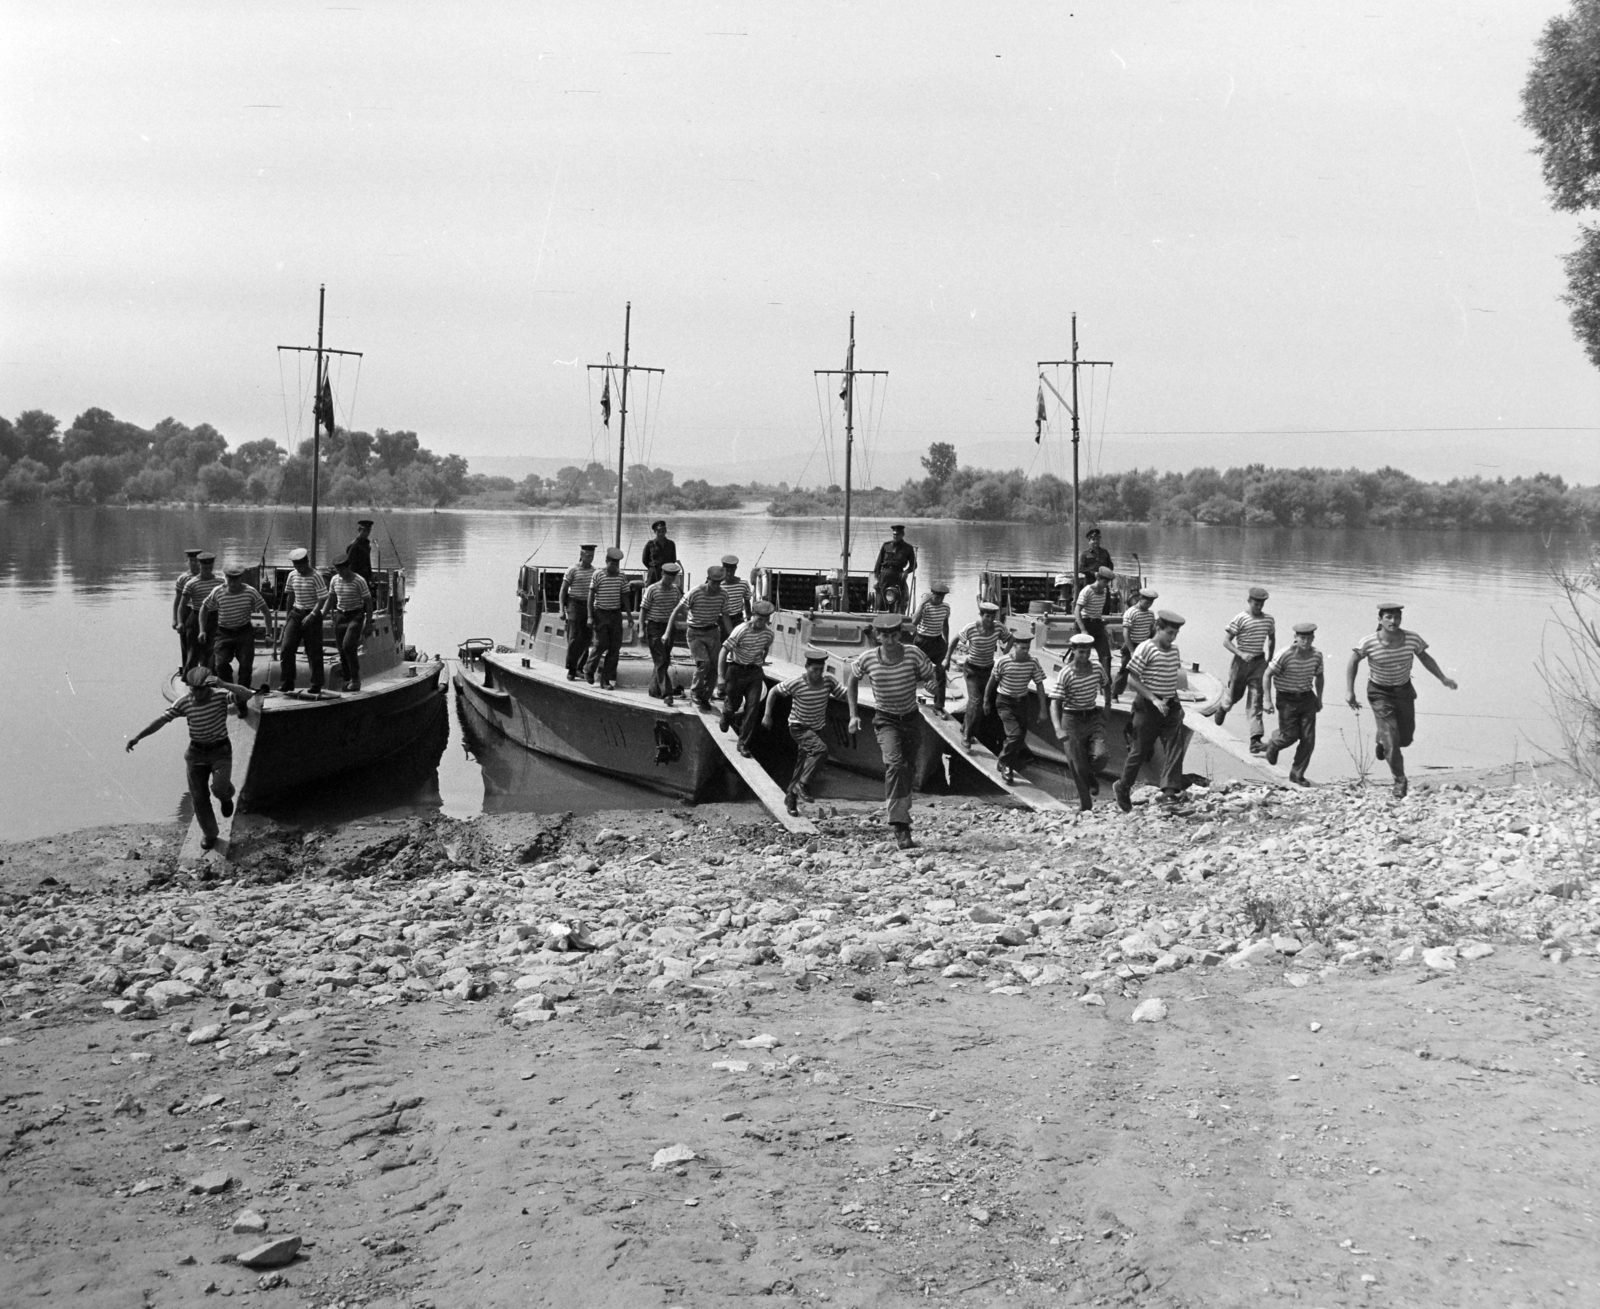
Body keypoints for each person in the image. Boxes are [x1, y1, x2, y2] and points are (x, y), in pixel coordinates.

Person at [125, 666, 255, 851]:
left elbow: (247, 695)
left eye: (200, 689)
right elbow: (161, 721)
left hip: (220, 751)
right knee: (199, 797)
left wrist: (223, 683)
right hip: (196, 754)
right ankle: (210, 834)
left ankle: (225, 796)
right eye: (193, 689)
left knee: (219, 787)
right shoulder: (184, 703)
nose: (196, 693)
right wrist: (138, 736)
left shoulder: (219, 697)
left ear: (208, 688)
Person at [1346, 601, 1457, 799]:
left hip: (1404, 691)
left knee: (1405, 739)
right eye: (1388, 617)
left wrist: (1443, 678)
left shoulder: (1412, 639)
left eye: (1397, 617)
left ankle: (1382, 741)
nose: (1393, 621)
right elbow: (1353, 661)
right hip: (1379, 692)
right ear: (1380, 620)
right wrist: (1350, 691)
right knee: (1392, 740)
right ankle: (1399, 780)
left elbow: (1425, 658)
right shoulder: (1369, 642)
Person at [846, 611, 936, 849]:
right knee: (895, 765)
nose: (890, 640)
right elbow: (852, 680)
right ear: (877, 636)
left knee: (908, 770)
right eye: (884, 636)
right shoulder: (868, 659)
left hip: (911, 719)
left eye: (894, 635)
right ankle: (899, 826)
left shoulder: (913, 654)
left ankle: (903, 817)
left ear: (900, 634)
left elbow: (932, 677)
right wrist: (853, 715)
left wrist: (933, 686)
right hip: (886, 720)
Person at [1113, 610, 1189, 811]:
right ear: (1158, 628)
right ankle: (1123, 787)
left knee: (1175, 745)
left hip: (1170, 704)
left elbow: (1170, 678)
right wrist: (1153, 699)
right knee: (1139, 751)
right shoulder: (1145, 649)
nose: (1172, 638)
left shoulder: (1174, 651)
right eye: (1169, 633)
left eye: (1175, 634)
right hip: (1148, 706)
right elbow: (1132, 680)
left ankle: (1169, 792)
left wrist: (1175, 703)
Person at [763, 645, 844, 815]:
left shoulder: (828, 682)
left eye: (821, 670)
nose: (818, 673)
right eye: (815, 670)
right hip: (798, 727)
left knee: (801, 766)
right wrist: (767, 715)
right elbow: (773, 692)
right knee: (821, 750)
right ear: (807, 668)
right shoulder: (796, 683)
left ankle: (791, 798)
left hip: (816, 728)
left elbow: (843, 693)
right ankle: (803, 785)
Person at [1201, 585, 1276, 753]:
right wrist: (1240, 654)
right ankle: (1223, 708)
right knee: (1234, 695)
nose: (1259, 606)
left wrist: (1270, 658)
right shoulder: (1240, 618)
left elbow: (1271, 638)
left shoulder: (1269, 620)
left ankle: (1255, 740)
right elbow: (1226, 641)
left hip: (1259, 663)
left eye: (1262, 604)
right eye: (1256, 603)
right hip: (1241, 663)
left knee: (1256, 700)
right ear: (1249, 601)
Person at [1049, 631, 1110, 811]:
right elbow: (1055, 702)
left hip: (1092, 716)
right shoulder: (1066, 673)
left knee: (1101, 755)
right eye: (1081, 652)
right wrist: (1058, 728)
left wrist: (1107, 704)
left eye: (1088, 651)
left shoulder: (1097, 668)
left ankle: (1091, 776)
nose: (1085, 656)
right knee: (1077, 766)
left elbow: (1106, 684)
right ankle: (1086, 807)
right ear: (1073, 651)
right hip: (1071, 720)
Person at [202, 566, 273, 711]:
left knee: (246, 667)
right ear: (226, 578)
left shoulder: (250, 592)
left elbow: (266, 612)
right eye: (230, 580)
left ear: (241, 579)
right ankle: (232, 692)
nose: (233, 583)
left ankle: (241, 701)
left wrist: (268, 634)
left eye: (236, 580)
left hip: (244, 632)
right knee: (220, 665)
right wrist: (202, 630)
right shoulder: (218, 591)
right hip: (224, 633)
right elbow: (204, 608)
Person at [985, 620, 1047, 784]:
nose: (1025, 651)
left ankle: (1004, 759)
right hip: (1005, 702)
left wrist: (1042, 709)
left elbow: (1039, 685)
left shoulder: (1032, 662)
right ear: (1015, 647)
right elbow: (992, 682)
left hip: (1022, 702)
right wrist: (986, 701)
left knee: (1018, 738)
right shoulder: (1002, 662)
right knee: (1014, 735)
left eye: (1027, 648)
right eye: (1022, 648)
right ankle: (1006, 764)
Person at [1263, 621, 1325, 786]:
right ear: (1295, 638)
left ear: (1313, 638)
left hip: (1307, 698)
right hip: (1286, 699)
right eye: (1302, 638)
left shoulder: (1317, 655)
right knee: (1289, 736)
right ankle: (1274, 744)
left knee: (1308, 739)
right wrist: (1267, 700)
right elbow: (1267, 675)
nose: (1305, 641)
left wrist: (1319, 698)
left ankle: (1297, 774)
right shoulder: (1285, 654)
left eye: (1308, 638)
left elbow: (1319, 676)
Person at [949, 601, 1012, 747]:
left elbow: (1010, 638)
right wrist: (947, 658)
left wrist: (1006, 650)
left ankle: (965, 725)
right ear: (981, 615)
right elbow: (955, 640)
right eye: (986, 617)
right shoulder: (971, 628)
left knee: (982, 702)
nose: (989, 620)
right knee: (976, 702)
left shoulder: (998, 627)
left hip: (988, 670)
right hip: (972, 670)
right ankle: (967, 735)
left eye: (992, 617)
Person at [717, 599, 775, 756]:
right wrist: (721, 677)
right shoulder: (740, 630)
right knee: (733, 705)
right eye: (759, 619)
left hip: (754, 671)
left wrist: (761, 660)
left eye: (765, 620)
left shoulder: (768, 633)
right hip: (736, 669)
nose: (761, 622)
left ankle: (743, 743)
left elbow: (766, 647)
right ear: (752, 615)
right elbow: (724, 652)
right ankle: (727, 714)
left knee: (752, 708)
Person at [666, 564, 727, 710]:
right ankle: (695, 692)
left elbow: (725, 616)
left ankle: (705, 696)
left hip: (712, 632)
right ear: (707, 580)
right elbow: (676, 610)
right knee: (703, 663)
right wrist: (667, 632)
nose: (716, 586)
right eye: (714, 582)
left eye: (719, 583)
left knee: (714, 666)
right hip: (695, 633)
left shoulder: (723, 594)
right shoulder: (695, 592)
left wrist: (732, 637)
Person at [320, 553, 374, 692]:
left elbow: (368, 603)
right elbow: (330, 599)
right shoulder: (334, 580)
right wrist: (320, 615)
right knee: (341, 650)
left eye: (342, 569)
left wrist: (368, 623)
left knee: (348, 645)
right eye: (337, 570)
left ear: (348, 567)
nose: (340, 573)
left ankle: (356, 680)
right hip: (340, 616)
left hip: (355, 616)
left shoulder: (359, 581)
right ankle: (346, 679)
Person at [279, 547, 328, 694]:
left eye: (300, 565)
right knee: (287, 648)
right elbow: (290, 596)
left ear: (306, 562)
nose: (298, 568)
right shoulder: (292, 576)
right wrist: (288, 617)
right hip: (296, 613)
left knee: (313, 651)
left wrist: (313, 614)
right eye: (295, 565)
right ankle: (288, 681)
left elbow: (322, 598)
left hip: (312, 614)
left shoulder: (316, 576)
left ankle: (316, 684)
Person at [585, 546, 628, 689]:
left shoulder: (621, 576)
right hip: (601, 613)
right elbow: (591, 596)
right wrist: (590, 616)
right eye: (612, 563)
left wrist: (628, 615)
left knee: (615, 648)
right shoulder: (598, 575)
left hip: (615, 614)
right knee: (600, 644)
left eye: (617, 564)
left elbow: (624, 596)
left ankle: (606, 680)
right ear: (606, 561)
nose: (615, 566)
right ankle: (589, 669)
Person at [641, 560, 684, 702]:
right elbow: (644, 609)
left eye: (673, 577)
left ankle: (654, 690)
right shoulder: (652, 589)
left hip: (669, 627)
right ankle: (667, 693)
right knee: (660, 659)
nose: (670, 580)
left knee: (664, 661)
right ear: (662, 574)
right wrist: (641, 629)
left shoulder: (676, 590)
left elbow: (681, 608)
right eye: (668, 577)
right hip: (654, 627)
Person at [910, 581, 952, 712]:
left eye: (942, 597)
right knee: (915, 672)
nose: (939, 599)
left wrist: (947, 641)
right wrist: (922, 604)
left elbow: (945, 625)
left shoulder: (946, 607)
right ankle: (908, 700)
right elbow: (914, 622)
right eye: (937, 597)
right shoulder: (925, 606)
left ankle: (939, 705)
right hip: (922, 641)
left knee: (940, 673)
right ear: (931, 595)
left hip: (937, 641)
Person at [180, 552, 226, 674]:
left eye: (210, 568)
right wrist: (180, 622)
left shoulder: (220, 581)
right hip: (195, 618)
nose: (207, 571)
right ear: (200, 566)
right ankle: (191, 682)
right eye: (204, 568)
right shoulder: (191, 583)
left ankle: (209, 680)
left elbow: (225, 600)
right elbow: (182, 605)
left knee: (212, 652)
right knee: (193, 653)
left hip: (214, 617)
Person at [558, 544, 597, 681]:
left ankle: (580, 667)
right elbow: (563, 590)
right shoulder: (572, 570)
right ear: (581, 555)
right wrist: (561, 609)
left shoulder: (595, 572)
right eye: (587, 556)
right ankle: (571, 668)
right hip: (574, 604)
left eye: (592, 556)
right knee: (574, 637)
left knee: (586, 638)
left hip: (588, 605)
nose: (590, 558)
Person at [1113, 587, 1159, 700]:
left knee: (1146, 671)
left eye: (1151, 602)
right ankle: (1115, 693)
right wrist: (1131, 650)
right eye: (1147, 602)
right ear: (1140, 598)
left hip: (1144, 646)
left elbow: (1151, 630)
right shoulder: (1131, 612)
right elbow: (1126, 633)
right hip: (1131, 644)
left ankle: (1145, 695)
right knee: (1125, 669)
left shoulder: (1150, 614)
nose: (1149, 605)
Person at [1074, 565, 1116, 679]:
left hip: (1097, 625)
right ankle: (1074, 677)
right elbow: (1077, 611)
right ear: (1098, 579)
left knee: (1106, 656)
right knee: (1080, 654)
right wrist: (1083, 630)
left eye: (1108, 582)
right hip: (1085, 623)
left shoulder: (1104, 591)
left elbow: (1099, 609)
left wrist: (1102, 623)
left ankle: (1106, 684)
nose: (1106, 584)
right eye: (1105, 581)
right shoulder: (1087, 591)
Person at [872, 524, 917, 612]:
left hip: (898, 576)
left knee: (897, 602)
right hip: (884, 576)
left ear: (902, 535)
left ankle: (895, 619)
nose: (895, 536)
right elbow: (878, 564)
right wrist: (876, 578)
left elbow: (914, 565)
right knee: (881, 603)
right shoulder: (886, 546)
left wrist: (907, 572)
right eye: (894, 534)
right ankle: (881, 619)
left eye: (897, 534)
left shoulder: (908, 548)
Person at [172, 548, 202, 672]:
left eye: (196, 561)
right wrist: (175, 619)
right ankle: (188, 672)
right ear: (187, 562)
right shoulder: (183, 579)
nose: (194, 563)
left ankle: (207, 672)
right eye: (191, 561)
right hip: (187, 611)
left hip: (203, 611)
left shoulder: (206, 576)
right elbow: (178, 600)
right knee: (187, 644)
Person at [719, 554, 751, 632]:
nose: (729, 574)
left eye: (731, 571)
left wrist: (749, 620)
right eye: (727, 571)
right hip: (721, 619)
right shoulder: (717, 585)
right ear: (723, 569)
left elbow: (747, 603)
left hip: (738, 619)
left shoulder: (743, 584)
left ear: (735, 569)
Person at [1077, 527, 1113, 593]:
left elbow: (1110, 565)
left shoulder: (1105, 552)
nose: (1095, 541)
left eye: (1097, 539)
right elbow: (1081, 568)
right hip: (1090, 582)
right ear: (1089, 541)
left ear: (1099, 540)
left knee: (1106, 602)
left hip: (1103, 582)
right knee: (1089, 601)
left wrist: (1106, 573)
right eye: (1093, 539)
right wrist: (1094, 573)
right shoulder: (1085, 554)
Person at [641, 519, 677, 584]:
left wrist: (667, 568)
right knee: (652, 591)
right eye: (659, 531)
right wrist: (653, 568)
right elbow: (644, 560)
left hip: (667, 573)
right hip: (653, 573)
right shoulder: (650, 544)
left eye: (663, 531)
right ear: (655, 532)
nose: (661, 533)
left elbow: (673, 559)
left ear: (665, 531)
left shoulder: (671, 544)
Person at [345, 519, 376, 585]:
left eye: (368, 531)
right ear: (359, 530)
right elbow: (350, 564)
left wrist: (370, 575)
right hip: (357, 577)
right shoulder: (355, 545)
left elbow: (367, 561)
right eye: (364, 531)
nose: (367, 533)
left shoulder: (366, 544)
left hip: (365, 576)